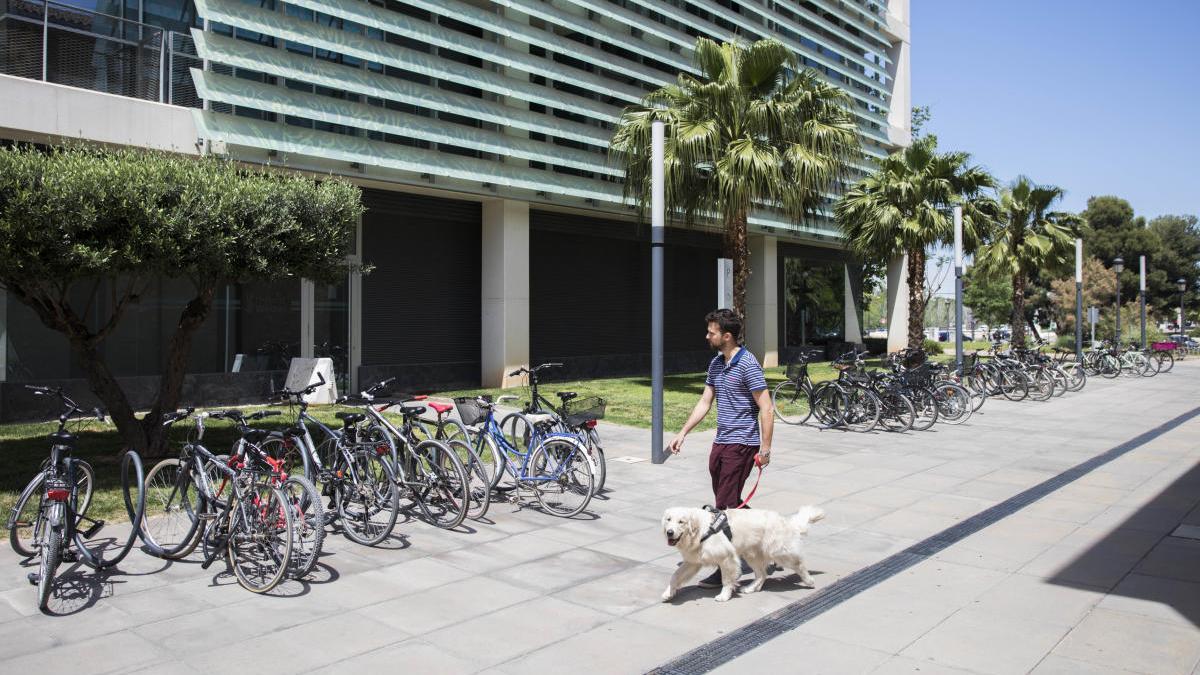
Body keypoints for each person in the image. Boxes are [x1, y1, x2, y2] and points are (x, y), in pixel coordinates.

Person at [668, 308, 774, 587]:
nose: (707, 336)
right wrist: (683, 432)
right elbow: (705, 401)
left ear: (726, 336)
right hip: (721, 442)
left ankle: (724, 566)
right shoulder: (716, 364)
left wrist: (765, 449)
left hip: (742, 444)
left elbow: (766, 407)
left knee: (724, 508)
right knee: (730, 502)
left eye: (711, 332)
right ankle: (768, 535)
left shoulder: (748, 364)